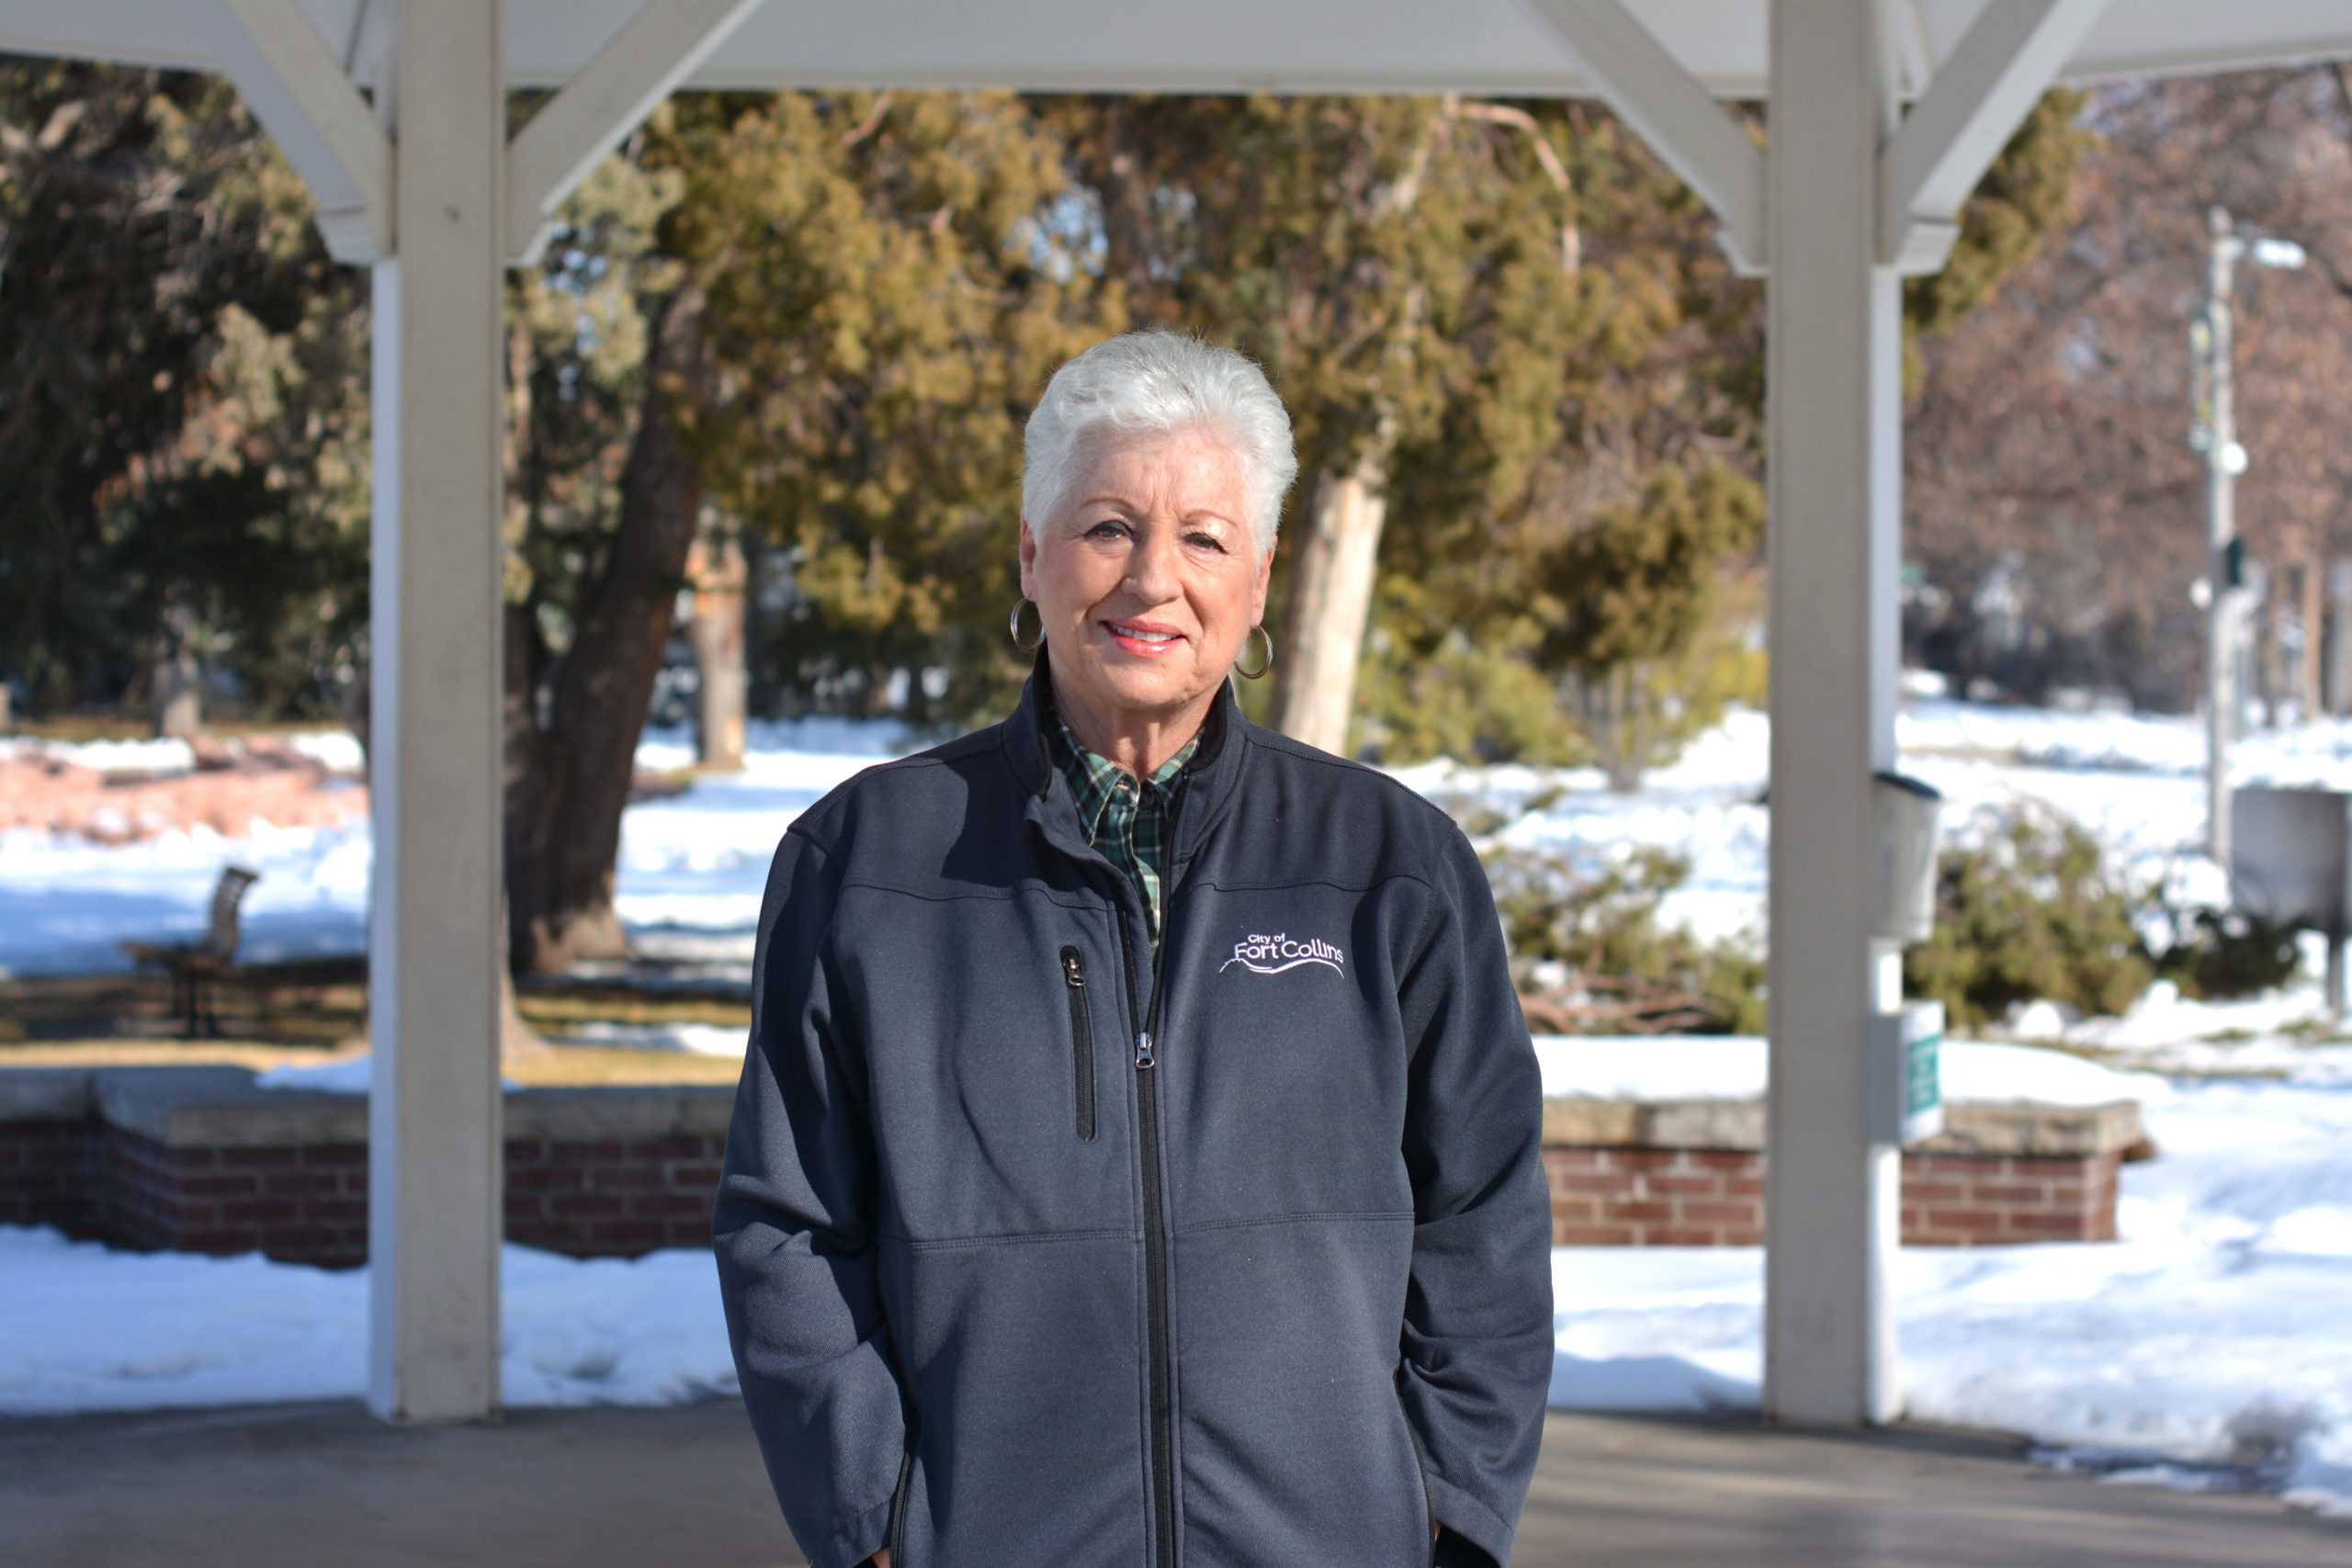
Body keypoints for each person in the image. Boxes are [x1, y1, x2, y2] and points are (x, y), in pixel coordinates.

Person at [713, 330, 1554, 1568]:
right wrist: (876, 1523)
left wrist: (1445, 1508)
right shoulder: (868, 867)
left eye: (1204, 538)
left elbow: (1485, 1216)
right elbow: (786, 1227)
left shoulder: (1392, 867)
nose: (1153, 579)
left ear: (1259, 582)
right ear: (1033, 554)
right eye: (1109, 526)